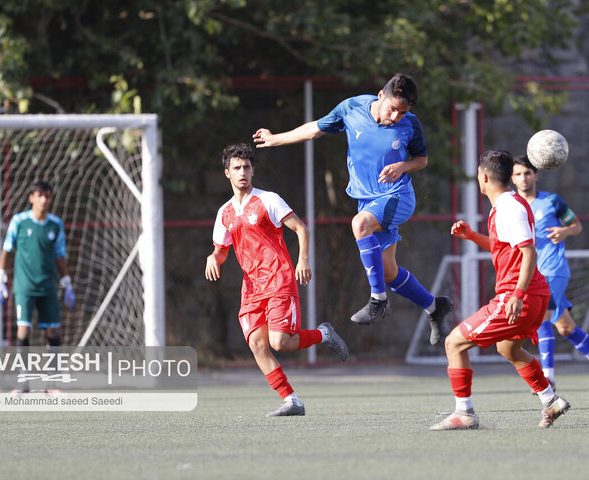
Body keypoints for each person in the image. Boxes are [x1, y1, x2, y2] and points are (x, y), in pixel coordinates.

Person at [253, 73, 452, 345]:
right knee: (389, 271)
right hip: (368, 200)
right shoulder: (352, 108)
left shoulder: (411, 125)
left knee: (360, 224)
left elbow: (421, 159)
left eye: (403, 112)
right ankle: (434, 306)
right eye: (393, 109)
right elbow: (314, 129)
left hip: (398, 196)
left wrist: (403, 166)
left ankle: (378, 300)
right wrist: (276, 139)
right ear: (380, 96)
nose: (396, 117)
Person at [205, 143, 349, 417]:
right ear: (227, 173)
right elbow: (221, 251)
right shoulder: (224, 213)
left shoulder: (268, 200)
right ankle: (291, 400)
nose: (243, 172)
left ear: (253, 169)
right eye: (236, 168)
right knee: (258, 344)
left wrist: (303, 260)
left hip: (279, 279)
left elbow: (301, 229)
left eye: (247, 167)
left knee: (280, 343)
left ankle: (323, 334)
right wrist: (213, 257)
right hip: (251, 287)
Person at [430, 150, 570, 431]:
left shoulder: (508, 207)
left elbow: (528, 251)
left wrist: (517, 294)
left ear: (483, 177)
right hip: (534, 294)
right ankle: (549, 399)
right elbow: (503, 247)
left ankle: (464, 413)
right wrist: (472, 236)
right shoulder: (508, 205)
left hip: (520, 295)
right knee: (508, 348)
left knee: (453, 342)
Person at [511, 155, 589, 399]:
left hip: (554, 269)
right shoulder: (513, 206)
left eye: (527, 173)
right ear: (512, 178)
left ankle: (548, 378)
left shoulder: (552, 201)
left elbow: (577, 226)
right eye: (518, 174)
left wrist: (565, 231)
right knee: (565, 327)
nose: (523, 178)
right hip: (531, 273)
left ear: (536, 175)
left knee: (542, 317)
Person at [0, 180, 75, 350]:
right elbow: (7, 249)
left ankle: (53, 373)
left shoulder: (56, 224)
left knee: (54, 330)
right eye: (39, 196)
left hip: (48, 286)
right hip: (25, 286)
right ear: (31, 198)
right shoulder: (19, 221)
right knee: (24, 329)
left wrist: (67, 284)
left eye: (47, 196)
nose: (43, 200)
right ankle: (25, 373)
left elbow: (59, 256)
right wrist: (0, 278)